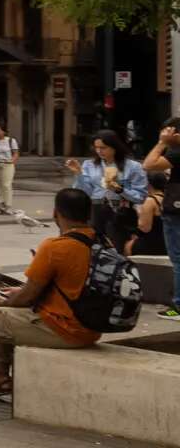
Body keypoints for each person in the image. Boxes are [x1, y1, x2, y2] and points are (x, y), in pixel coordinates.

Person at [0, 188, 101, 411]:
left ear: (55, 213)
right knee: (6, 315)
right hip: (92, 328)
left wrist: (5, 301)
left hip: (65, 329)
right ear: (88, 214)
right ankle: (1, 378)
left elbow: (27, 297)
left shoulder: (56, 247)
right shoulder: (102, 242)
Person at [65, 128, 147, 249]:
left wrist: (119, 190)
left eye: (103, 148)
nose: (99, 151)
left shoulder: (133, 167)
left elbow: (140, 196)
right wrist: (79, 174)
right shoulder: (90, 164)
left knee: (117, 248)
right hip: (96, 209)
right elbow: (85, 192)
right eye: (96, 148)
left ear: (114, 147)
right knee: (93, 247)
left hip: (121, 210)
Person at [142, 117, 180, 320]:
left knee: (178, 259)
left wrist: (162, 143)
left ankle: (179, 307)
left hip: (176, 210)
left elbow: (149, 164)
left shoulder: (176, 151)